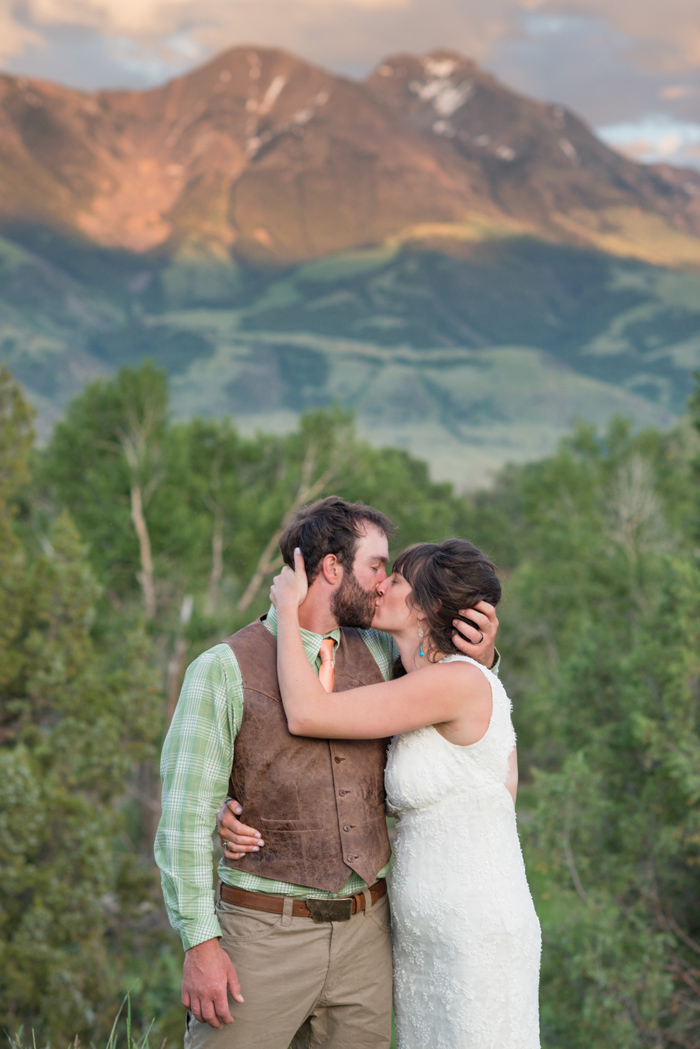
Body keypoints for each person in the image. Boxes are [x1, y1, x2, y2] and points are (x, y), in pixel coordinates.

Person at [155, 497, 498, 1049]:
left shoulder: (386, 652)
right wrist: (201, 945)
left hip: (369, 937)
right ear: (332, 568)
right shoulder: (221, 669)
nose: (386, 583)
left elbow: (452, 696)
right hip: (263, 938)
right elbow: (184, 817)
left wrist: (482, 653)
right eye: (377, 566)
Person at [267, 539, 541, 1049]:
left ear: (425, 607)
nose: (379, 585)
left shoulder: (455, 683)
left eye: (394, 580)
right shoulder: (431, 683)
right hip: (424, 935)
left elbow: (308, 714)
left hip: (472, 928)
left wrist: (285, 611)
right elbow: (495, 785)